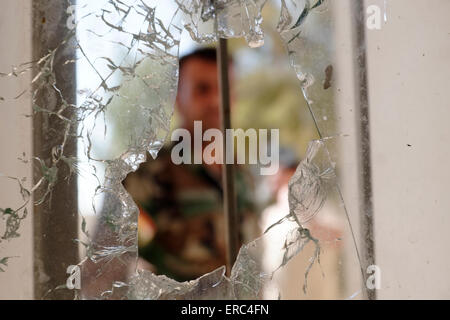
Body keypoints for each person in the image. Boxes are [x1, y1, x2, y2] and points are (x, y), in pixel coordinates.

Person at [123, 48, 258, 282]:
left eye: (224, 91)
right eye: (202, 89)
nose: (216, 101)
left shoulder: (242, 177)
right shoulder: (146, 175)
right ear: (178, 99)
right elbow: (107, 272)